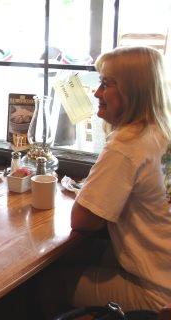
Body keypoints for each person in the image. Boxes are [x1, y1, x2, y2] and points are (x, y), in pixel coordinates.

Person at [38, 46, 171, 317]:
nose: (97, 93)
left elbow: (83, 220)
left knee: (45, 282)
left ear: (132, 91)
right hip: (162, 267)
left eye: (105, 84)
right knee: (74, 255)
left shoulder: (128, 144)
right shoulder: (160, 130)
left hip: (158, 294)